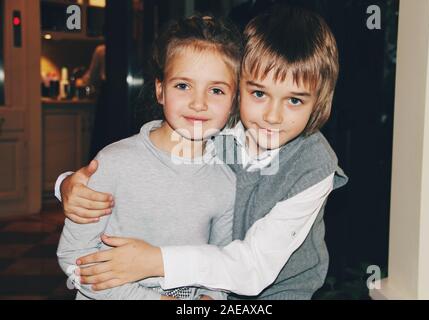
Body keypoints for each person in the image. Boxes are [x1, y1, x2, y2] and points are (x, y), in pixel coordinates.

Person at [57, 6, 348, 299]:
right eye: (259, 93)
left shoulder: (313, 164)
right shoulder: (220, 134)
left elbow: (253, 268)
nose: (272, 116)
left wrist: (156, 261)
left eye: (295, 100)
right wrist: (66, 185)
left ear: (319, 102)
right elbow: (145, 160)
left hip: (278, 292)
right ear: (240, 91)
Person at [56, 15, 243, 300]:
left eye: (216, 90)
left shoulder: (226, 181)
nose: (198, 102)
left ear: (233, 102)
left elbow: (220, 267)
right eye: (183, 86)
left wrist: (211, 298)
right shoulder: (114, 162)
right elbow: (73, 256)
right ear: (160, 90)